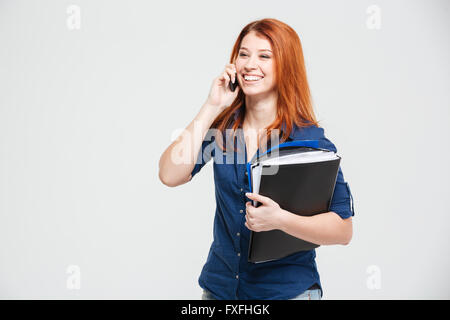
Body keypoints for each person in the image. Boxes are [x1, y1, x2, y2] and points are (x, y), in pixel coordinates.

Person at [158, 18, 355, 300]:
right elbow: (169, 174)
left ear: (286, 66)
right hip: (220, 290)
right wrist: (212, 105)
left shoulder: (310, 141)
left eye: (264, 56)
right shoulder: (223, 129)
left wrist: (281, 220)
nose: (250, 64)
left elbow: (343, 229)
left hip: (285, 293)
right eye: (243, 54)